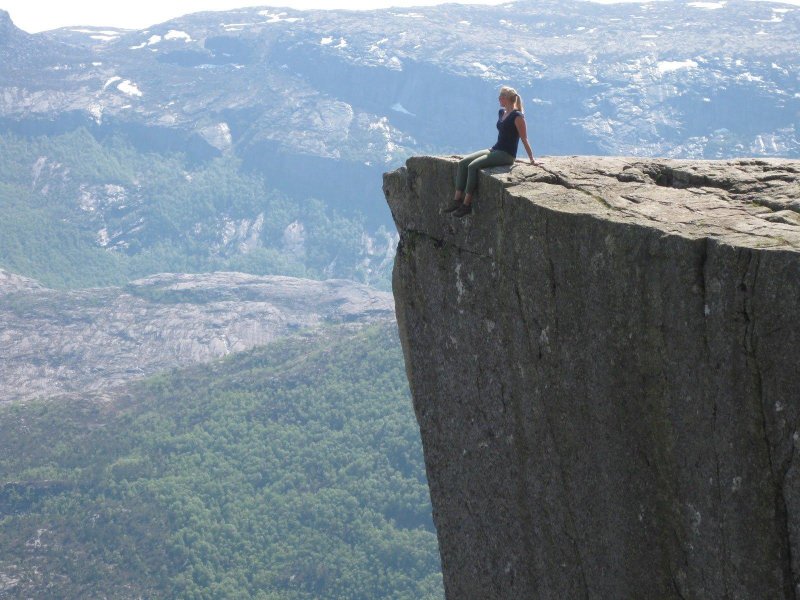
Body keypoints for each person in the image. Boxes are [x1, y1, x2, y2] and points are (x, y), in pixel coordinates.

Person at [446, 85, 535, 217]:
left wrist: (532, 159)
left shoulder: (518, 116)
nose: (498, 98)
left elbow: (524, 138)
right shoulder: (502, 112)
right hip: (495, 149)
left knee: (473, 166)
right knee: (463, 163)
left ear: (507, 98)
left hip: (506, 154)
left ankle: (466, 205)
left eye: (501, 96)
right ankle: (456, 200)